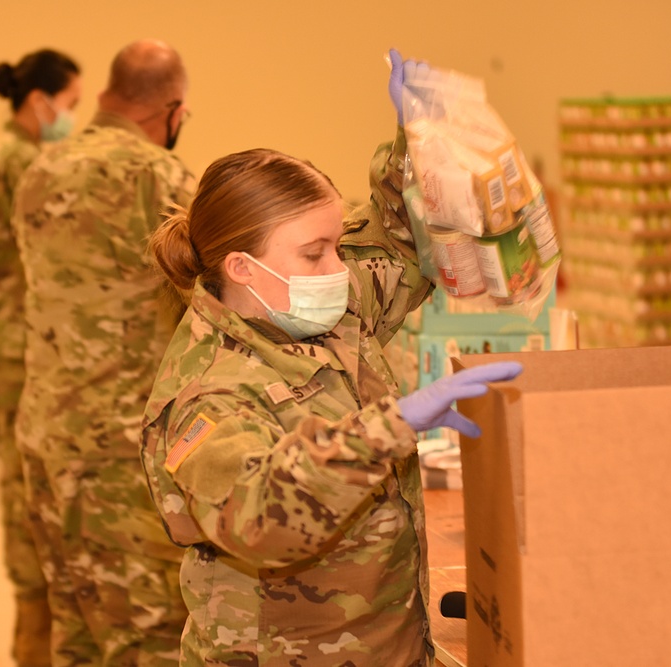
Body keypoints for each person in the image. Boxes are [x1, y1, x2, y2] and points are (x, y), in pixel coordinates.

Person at [141, 50, 522, 665]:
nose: (339, 270)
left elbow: (397, 241)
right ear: (242, 267)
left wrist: (419, 139)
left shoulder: (320, 310)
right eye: (315, 253)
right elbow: (260, 514)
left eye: (337, 247)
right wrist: (390, 427)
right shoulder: (209, 391)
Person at [11, 39, 194, 667]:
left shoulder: (40, 169)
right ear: (171, 108)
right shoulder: (159, 175)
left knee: (77, 630)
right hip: (117, 451)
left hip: (44, 435)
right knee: (146, 634)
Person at [0, 49, 81, 667]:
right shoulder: (22, 163)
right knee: (24, 485)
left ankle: (36, 621)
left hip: (12, 335)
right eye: (69, 105)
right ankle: (32, 627)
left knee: (23, 479)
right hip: (22, 344)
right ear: (39, 102)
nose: (73, 118)